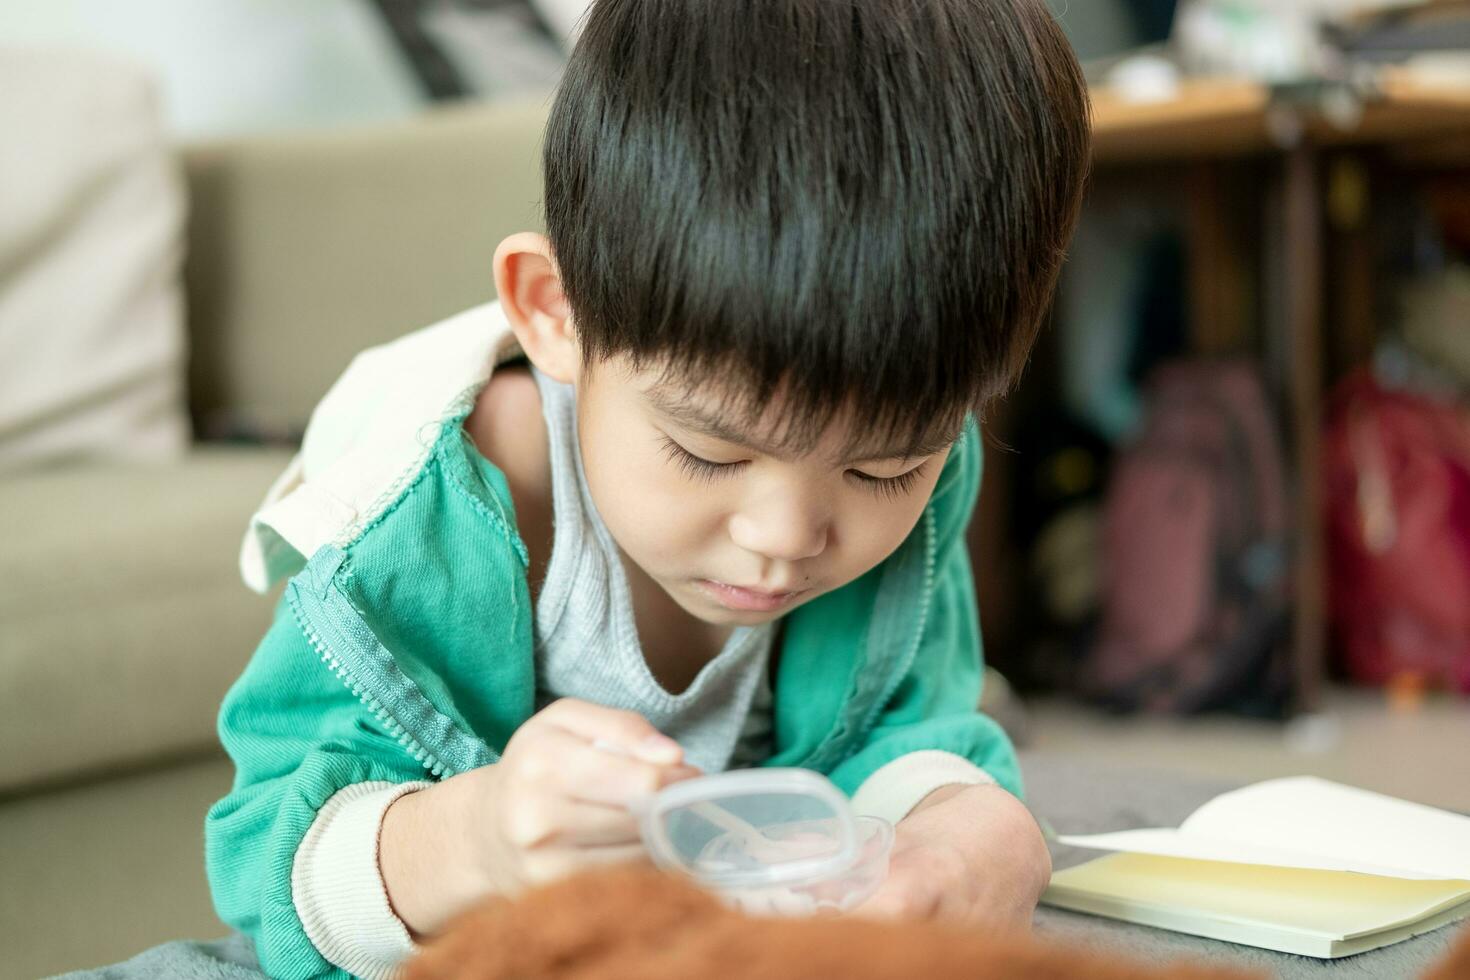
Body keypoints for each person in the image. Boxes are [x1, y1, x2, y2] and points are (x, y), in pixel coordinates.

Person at [204, 1, 1091, 976]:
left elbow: (906, 727)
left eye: (884, 468)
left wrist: (963, 823)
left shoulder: (926, 451)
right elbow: (267, 863)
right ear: (554, 312)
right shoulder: (415, 519)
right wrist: (477, 839)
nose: (787, 533)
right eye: (709, 452)